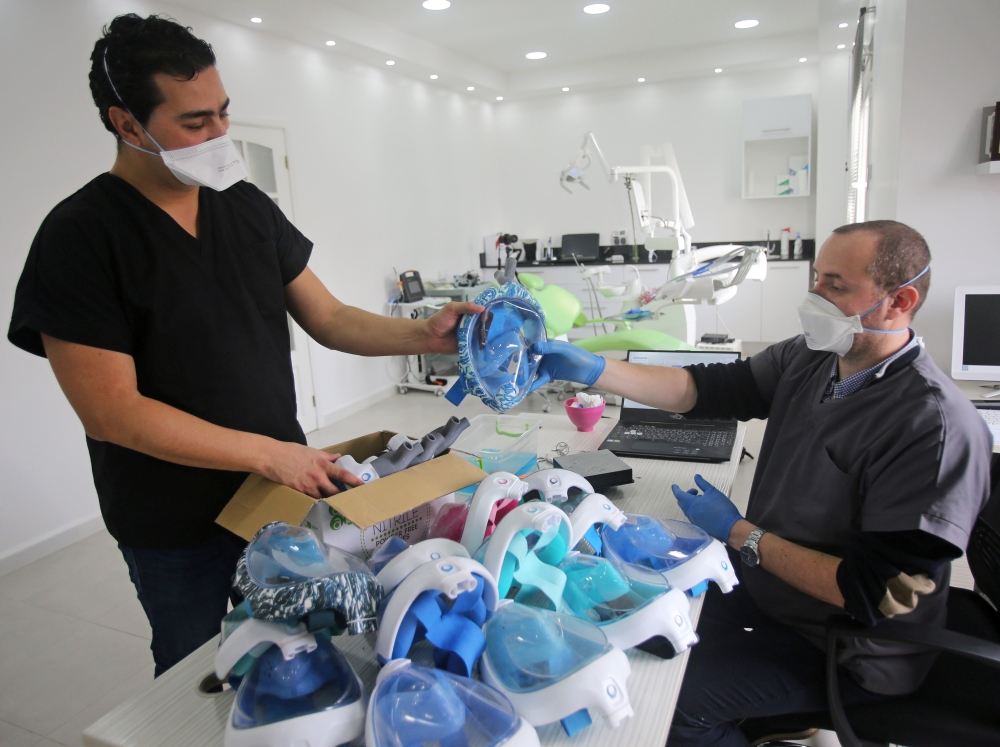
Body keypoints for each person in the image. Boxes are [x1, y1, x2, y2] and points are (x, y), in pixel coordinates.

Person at [7, 15, 482, 677]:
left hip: (277, 500)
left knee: (298, 654)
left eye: (223, 113)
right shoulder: (81, 237)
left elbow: (330, 317)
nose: (219, 134)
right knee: (202, 671)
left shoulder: (244, 205)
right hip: (174, 522)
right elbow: (111, 411)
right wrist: (272, 453)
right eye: (195, 122)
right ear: (127, 124)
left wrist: (423, 333)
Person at [530, 220, 992, 746]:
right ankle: (771, 716)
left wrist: (741, 533)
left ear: (899, 301)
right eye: (817, 278)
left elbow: (873, 591)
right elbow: (706, 389)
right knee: (644, 609)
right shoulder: (814, 357)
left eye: (836, 285)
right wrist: (594, 369)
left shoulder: (933, 428)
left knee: (667, 704)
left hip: (849, 647)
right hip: (777, 591)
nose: (814, 296)